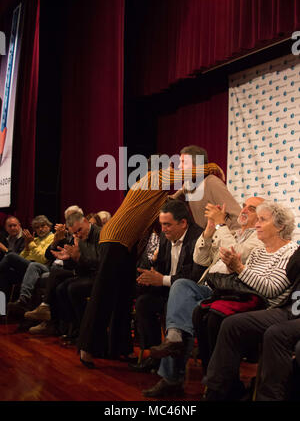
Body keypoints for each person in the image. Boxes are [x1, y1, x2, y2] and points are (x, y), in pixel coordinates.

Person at [78, 159, 223, 368]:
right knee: (103, 295)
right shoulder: (153, 178)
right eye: (171, 167)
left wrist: (181, 193)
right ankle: (87, 348)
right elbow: (186, 176)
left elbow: (170, 201)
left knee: (123, 299)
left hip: (125, 245)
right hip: (116, 240)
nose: (174, 171)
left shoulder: (153, 193)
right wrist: (212, 168)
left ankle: (119, 349)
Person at [142, 196, 264, 397]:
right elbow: (201, 258)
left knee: (187, 312)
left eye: (251, 208)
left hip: (231, 293)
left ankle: (172, 377)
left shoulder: (258, 238)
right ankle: (173, 340)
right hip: (209, 287)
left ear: (261, 217)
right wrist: (208, 231)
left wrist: (222, 224)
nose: (244, 210)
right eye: (243, 206)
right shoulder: (232, 233)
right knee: (180, 290)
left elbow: (235, 255)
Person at [198, 201, 300, 401]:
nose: (257, 224)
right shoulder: (258, 251)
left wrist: (239, 269)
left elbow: (271, 289)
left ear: (280, 226)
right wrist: (232, 268)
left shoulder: (290, 253)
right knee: (203, 314)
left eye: (263, 220)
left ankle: (219, 389)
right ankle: (220, 387)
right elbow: (244, 284)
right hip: (251, 302)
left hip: (271, 306)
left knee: (224, 320)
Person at [130, 200, 205, 372]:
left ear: (183, 223)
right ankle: (154, 355)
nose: (162, 229)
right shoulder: (165, 237)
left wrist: (161, 279)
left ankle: (172, 366)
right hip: (166, 291)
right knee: (142, 302)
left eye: (167, 225)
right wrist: (150, 276)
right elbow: (162, 267)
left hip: (188, 296)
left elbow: (195, 276)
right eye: (161, 224)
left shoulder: (198, 238)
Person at [26, 211, 101, 339]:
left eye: (79, 231)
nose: (77, 234)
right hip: (84, 273)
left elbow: (99, 263)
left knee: (71, 287)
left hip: (99, 276)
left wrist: (77, 258)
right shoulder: (80, 237)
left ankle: (83, 331)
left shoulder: (99, 235)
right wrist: (70, 258)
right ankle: (70, 328)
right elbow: (78, 264)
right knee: (61, 288)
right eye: (74, 233)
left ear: (85, 222)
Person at [173, 146, 241, 230]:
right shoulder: (189, 186)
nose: (179, 166)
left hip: (221, 239)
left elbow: (236, 215)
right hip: (205, 239)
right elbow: (171, 203)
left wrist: (233, 240)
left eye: (184, 162)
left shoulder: (212, 183)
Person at [1, 215, 54, 313]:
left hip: (44, 267)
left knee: (11, 256)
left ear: (49, 226)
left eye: (43, 226)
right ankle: (1, 311)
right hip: (31, 265)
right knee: (4, 275)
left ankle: (23, 299)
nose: (40, 229)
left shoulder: (53, 238)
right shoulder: (35, 239)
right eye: (37, 227)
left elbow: (42, 259)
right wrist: (27, 245)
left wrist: (31, 244)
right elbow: (24, 257)